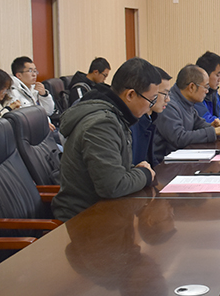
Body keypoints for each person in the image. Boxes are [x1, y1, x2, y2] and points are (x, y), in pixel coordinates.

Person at [52, 58, 162, 222]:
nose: (150, 107)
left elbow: (110, 172)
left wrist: (134, 171)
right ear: (130, 94)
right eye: (151, 100)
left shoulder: (115, 116)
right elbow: (113, 186)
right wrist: (144, 174)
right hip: (84, 220)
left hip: (104, 211)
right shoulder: (101, 124)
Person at [152, 65, 220, 162]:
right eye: (206, 87)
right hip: (165, 164)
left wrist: (212, 126)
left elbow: (198, 124)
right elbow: (179, 138)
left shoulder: (187, 102)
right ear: (192, 87)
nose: (207, 91)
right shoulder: (168, 105)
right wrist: (215, 131)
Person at [131, 67, 173, 165]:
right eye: (165, 94)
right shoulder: (134, 123)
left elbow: (150, 161)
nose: (168, 99)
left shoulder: (150, 118)